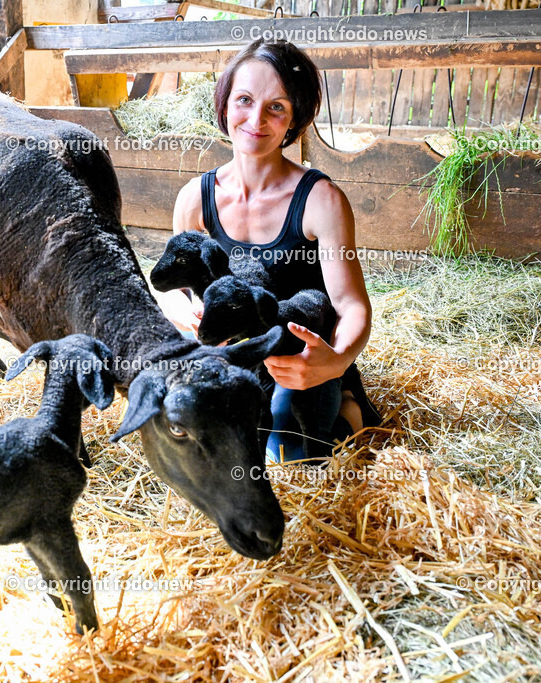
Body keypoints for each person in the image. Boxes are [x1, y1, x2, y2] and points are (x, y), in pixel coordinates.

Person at [159, 38, 380, 463]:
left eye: (276, 106)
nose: (256, 119)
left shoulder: (321, 199)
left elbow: (352, 306)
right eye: (243, 99)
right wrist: (178, 307)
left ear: (294, 118)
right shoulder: (195, 198)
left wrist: (333, 363)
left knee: (287, 449)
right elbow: (173, 285)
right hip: (232, 347)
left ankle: (348, 401)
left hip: (298, 351)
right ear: (224, 105)